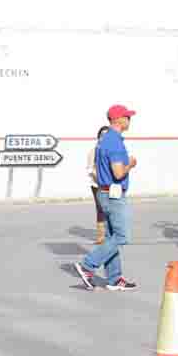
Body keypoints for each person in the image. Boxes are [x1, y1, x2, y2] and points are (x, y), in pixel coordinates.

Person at [73, 105, 138, 291]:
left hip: (104, 192)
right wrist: (131, 165)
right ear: (118, 119)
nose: (129, 120)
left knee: (111, 236)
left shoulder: (105, 139)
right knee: (121, 236)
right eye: (127, 116)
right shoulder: (114, 141)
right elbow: (118, 173)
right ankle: (88, 266)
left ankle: (114, 278)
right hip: (114, 193)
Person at [86, 126, 110, 244]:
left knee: (111, 209)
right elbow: (90, 170)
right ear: (98, 137)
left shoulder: (111, 150)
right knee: (100, 209)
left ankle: (110, 234)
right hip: (97, 185)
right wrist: (100, 180)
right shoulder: (94, 151)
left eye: (107, 135)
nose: (104, 137)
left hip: (110, 185)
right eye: (102, 135)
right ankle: (101, 236)